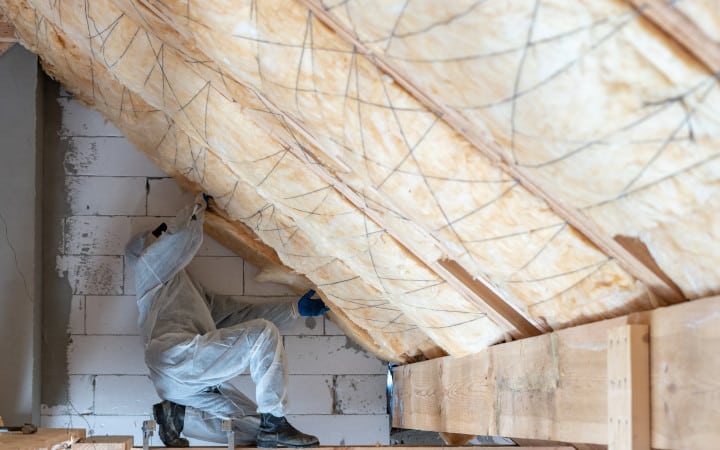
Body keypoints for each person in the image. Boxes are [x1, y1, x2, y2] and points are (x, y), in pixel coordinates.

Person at [126, 195, 329, 448]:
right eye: (158, 240)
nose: (163, 240)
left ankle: (178, 417)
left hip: (185, 381)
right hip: (177, 359)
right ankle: (276, 423)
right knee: (264, 335)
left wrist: (294, 309)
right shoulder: (148, 267)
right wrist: (198, 203)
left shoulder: (188, 289)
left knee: (253, 430)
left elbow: (238, 317)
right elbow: (182, 239)